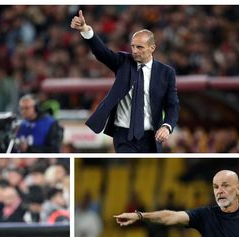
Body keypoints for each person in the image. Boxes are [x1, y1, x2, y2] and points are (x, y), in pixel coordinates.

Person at [70, 10, 178, 153]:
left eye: (140, 47)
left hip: (152, 137)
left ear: (152, 48)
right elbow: (102, 52)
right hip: (123, 136)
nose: (134, 51)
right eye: (133, 46)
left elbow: (172, 105)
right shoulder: (123, 61)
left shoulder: (166, 73)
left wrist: (167, 126)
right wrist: (85, 29)